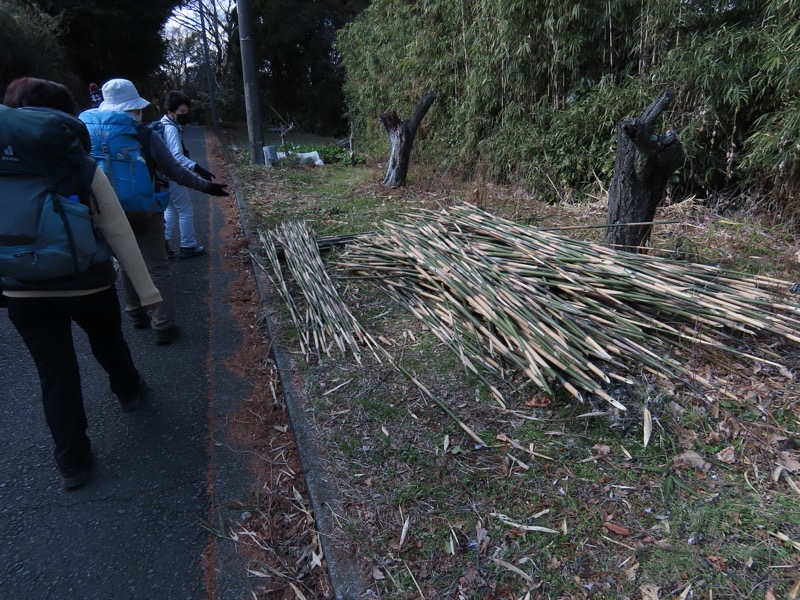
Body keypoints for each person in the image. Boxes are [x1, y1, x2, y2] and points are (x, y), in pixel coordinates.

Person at [1, 77, 162, 490]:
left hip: (23, 287)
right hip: (87, 283)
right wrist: (147, 293)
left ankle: (72, 460)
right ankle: (129, 391)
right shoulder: (77, 161)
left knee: (54, 373)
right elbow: (117, 229)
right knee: (108, 342)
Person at [87, 78, 228, 345]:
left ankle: (135, 314)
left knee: (125, 261)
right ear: (135, 107)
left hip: (108, 211)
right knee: (158, 266)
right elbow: (174, 171)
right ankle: (163, 324)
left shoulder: (86, 132)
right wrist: (208, 187)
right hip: (145, 208)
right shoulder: (143, 133)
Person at [159, 90, 216, 259]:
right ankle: (188, 246)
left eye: (187, 111)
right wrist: (198, 169)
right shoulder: (171, 129)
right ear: (170, 111)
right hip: (171, 175)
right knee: (185, 209)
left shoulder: (163, 125)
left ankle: (163, 244)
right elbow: (176, 156)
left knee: (170, 209)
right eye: (182, 112)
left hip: (162, 176)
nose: (185, 115)